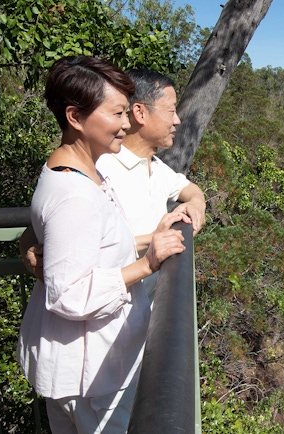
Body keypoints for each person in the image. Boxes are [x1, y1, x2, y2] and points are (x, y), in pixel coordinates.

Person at [17, 55, 191, 433]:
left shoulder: (78, 169)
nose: (125, 125)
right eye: (116, 114)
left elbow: (86, 240)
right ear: (76, 117)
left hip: (87, 367)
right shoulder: (75, 191)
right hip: (91, 375)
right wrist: (146, 264)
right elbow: (69, 294)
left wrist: (151, 237)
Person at [21, 68, 206, 297]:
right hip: (103, 314)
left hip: (140, 313)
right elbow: (56, 224)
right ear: (139, 113)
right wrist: (29, 246)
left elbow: (189, 189)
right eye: (171, 111)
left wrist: (196, 205)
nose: (177, 120)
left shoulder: (155, 166)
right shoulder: (99, 168)